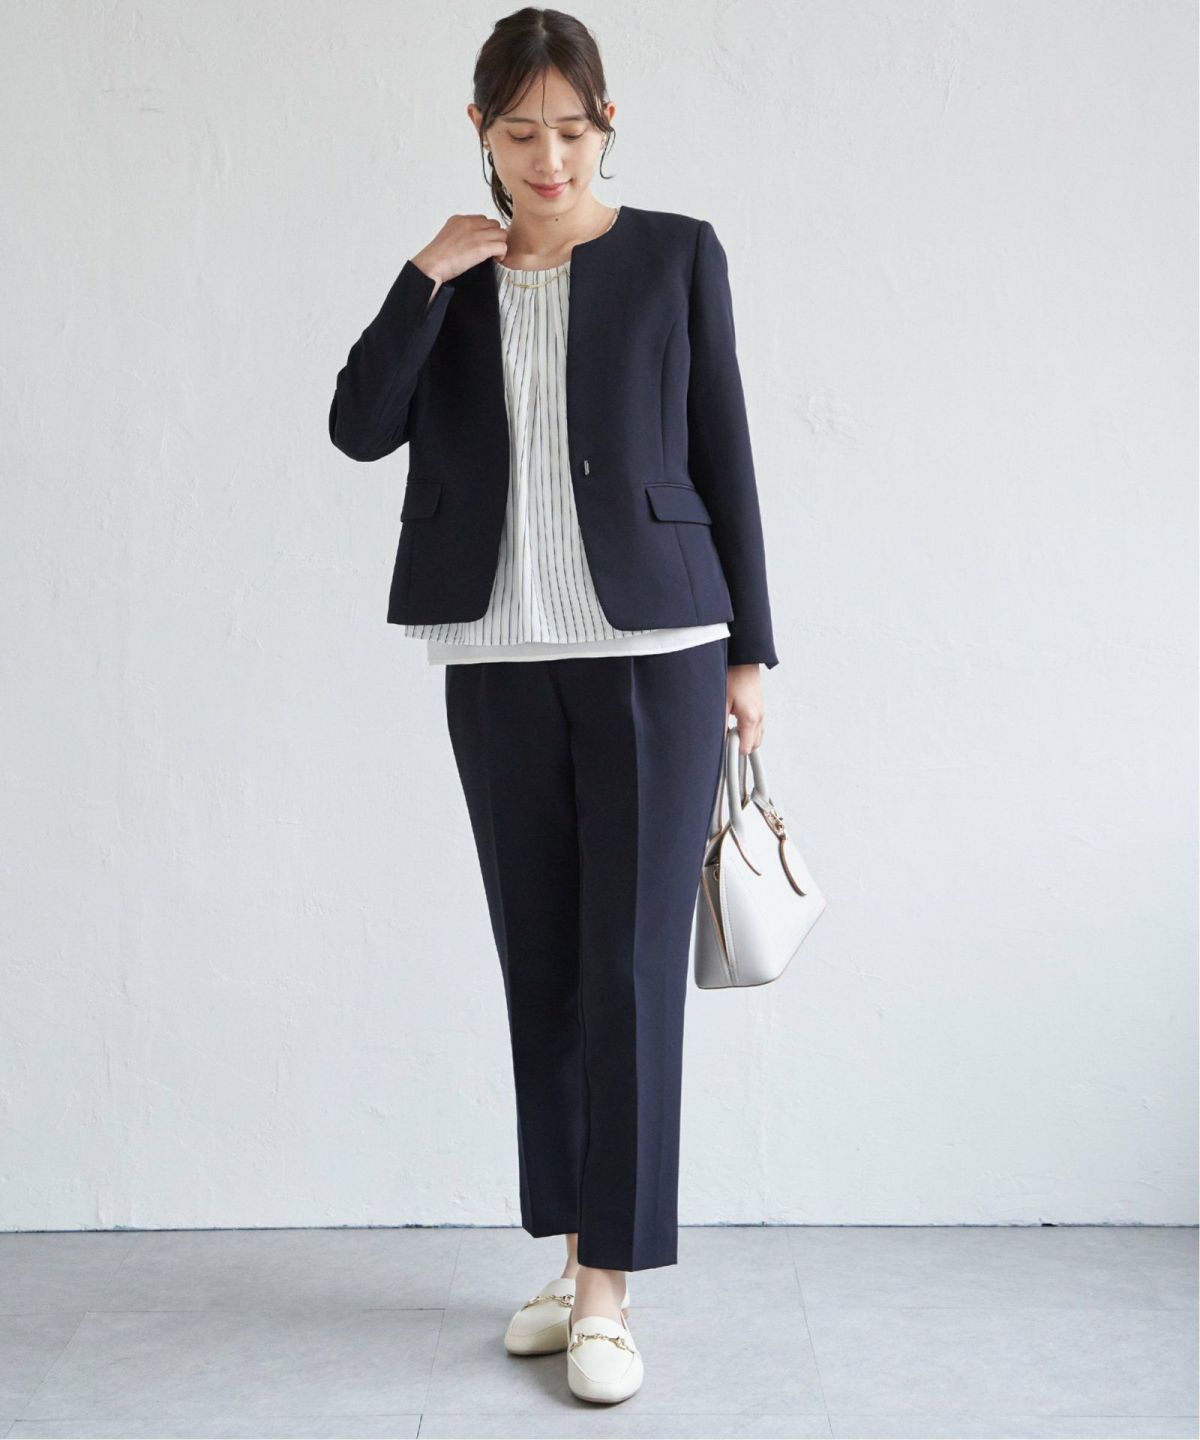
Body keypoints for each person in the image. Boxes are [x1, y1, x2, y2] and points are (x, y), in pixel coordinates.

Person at [328, 7, 778, 1405]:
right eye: (519, 132)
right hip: (495, 654)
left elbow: (724, 450)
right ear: (481, 131)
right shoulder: (454, 280)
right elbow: (357, 427)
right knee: (545, 969)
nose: (547, 158)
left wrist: (752, 656)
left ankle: (607, 1297)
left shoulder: (675, 255)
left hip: (657, 647)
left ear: (606, 123)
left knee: (630, 970)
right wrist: (422, 276)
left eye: (571, 131)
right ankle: (575, 1253)